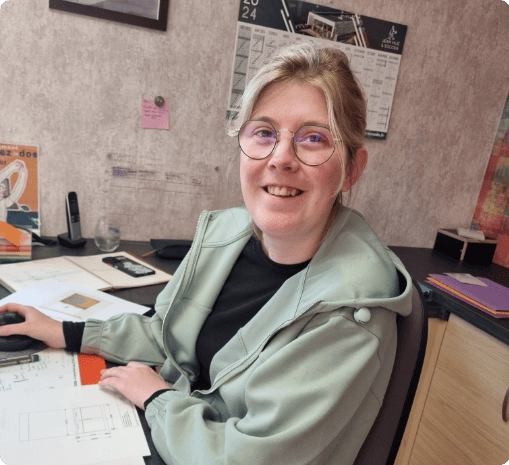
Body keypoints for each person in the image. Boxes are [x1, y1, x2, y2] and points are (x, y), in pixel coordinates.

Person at [0, 43, 412, 465]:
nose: (281, 158)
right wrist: (66, 332)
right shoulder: (227, 237)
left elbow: (250, 458)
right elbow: (165, 334)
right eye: (264, 132)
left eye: (313, 138)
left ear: (351, 169)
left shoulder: (350, 313)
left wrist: (157, 399)